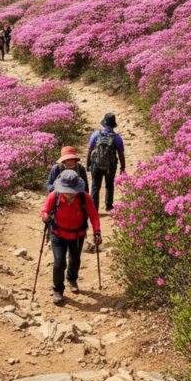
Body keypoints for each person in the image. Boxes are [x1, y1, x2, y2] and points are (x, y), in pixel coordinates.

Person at [41, 170, 102, 305]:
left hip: (77, 235)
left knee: (75, 260)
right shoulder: (54, 196)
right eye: (66, 189)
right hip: (57, 234)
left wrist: (97, 231)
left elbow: (94, 215)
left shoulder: (84, 197)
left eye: (71, 190)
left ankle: (72, 279)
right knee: (59, 262)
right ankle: (58, 290)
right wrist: (44, 215)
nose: (68, 193)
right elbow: (45, 210)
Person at [87, 113, 126, 212]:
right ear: (113, 125)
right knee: (109, 184)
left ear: (104, 123)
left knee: (95, 186)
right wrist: (122, 168)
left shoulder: (96, 134)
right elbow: (121, 154)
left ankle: (94, 209)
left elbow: (90, 150)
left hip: (96, 164)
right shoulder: (117, 138)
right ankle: (109, 206)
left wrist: (88, 164)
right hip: (111, 166)